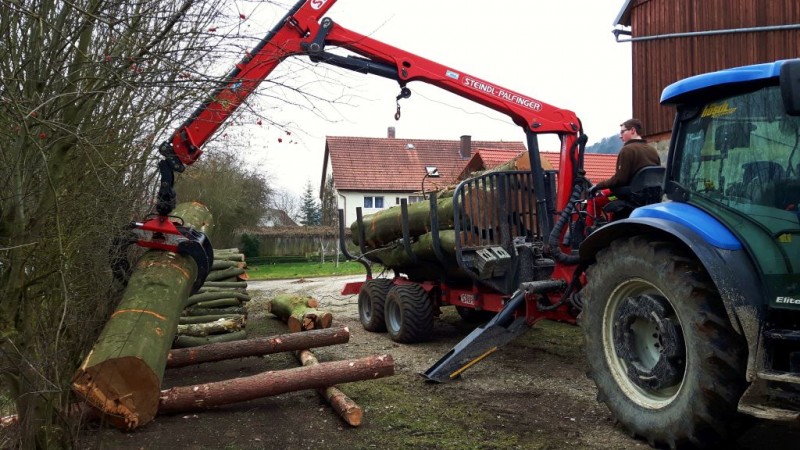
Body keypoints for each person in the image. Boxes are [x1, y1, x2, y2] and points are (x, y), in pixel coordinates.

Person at [587, 119, 661, 221]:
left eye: (622, 132)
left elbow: (620, 179)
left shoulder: (627, 150)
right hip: (650, 197)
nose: (620, 136)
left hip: (628, 196)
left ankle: (589, 231)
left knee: (595, 199)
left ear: (632, 130)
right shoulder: (653, 151)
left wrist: (598, 186)